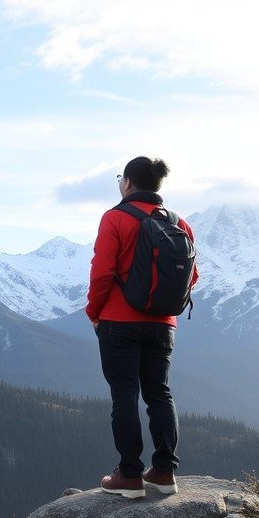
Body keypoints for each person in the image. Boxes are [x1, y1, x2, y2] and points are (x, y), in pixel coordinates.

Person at [86, 156, 198, 499]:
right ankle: (164, 472)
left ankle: (130, 476)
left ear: (129, 183)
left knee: (125, 396)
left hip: (119, 321)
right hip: (164, 325)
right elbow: (192, 275)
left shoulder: (115, 218)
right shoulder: (180, 223)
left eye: (121, 178)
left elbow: (103, 271)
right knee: (159, 393)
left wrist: (94, 312)